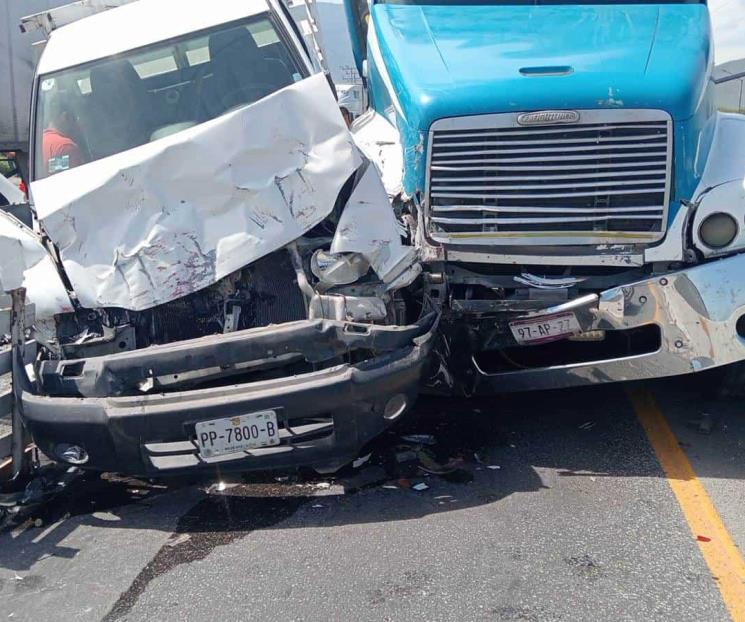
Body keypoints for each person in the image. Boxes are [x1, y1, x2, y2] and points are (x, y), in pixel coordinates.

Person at [42, 96, 84, 176]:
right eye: (76, 117)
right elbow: (75, 180)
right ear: (65, 117)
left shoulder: (41, 141)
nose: (78, 122)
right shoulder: (66, 147)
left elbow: (53, 169)